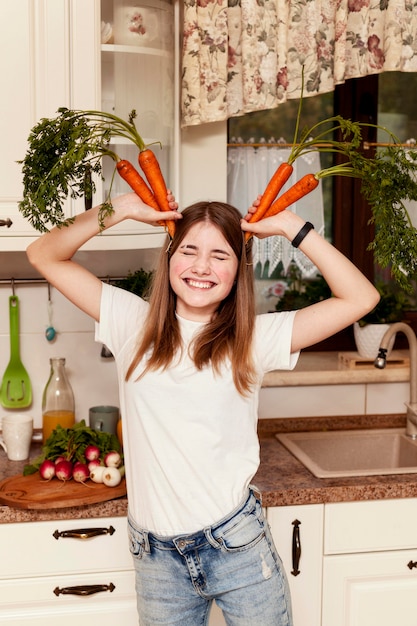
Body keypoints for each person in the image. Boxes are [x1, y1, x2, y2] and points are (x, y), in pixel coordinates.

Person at [27, 191, 379, 626]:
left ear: (238, 268)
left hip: (237, 548)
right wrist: (117, 211)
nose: (201, 267)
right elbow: (42, 253)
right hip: (157, 559)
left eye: (220, 255)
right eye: (189, 250)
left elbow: (360, 298)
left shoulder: (253, 338)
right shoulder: (129, 321)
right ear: (170, 256)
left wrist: (292, 228)